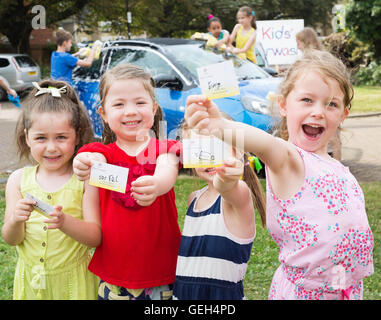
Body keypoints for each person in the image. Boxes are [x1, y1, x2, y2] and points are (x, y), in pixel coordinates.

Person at [184, 50, 374, 300]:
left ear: (342, 115)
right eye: (307, 100)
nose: (318, 111)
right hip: (306, 294)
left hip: (345, 289)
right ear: (283, 105)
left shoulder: (339, 169)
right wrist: (222, 126)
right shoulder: (289, 159)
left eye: (331, 104)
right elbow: (264, 143)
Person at [72, 64, 182, 300]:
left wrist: (157, 184)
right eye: (119, 104)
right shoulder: (103, 153)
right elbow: (90, 157)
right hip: (113, 274)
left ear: (154, 108)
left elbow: (168, 171)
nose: (130, 111)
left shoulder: (163, 149)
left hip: (162, 273)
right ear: (103, 113)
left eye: (140, 103)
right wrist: (83, 162)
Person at [1, 79, 100, 300]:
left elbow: (96, 236)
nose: (51, 147)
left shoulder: (84, 180)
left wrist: (65, 222)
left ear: (77, 135)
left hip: (75, 286)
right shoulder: (18, 180)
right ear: (27, 137)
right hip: (32, 286)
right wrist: (16, 220)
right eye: (40, 138)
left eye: (61, 137)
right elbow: (11, 238)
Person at [173, 119, 266, 300]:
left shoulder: (237, 195)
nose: (207, 156)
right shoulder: (194, 198)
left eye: (216, 147)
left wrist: (228, 176)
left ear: (237, 151)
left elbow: (227, 186)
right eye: (197, 150)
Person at [296, 27, 342, 162]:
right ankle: (335, 163)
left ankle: (335, 163)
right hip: (329, 101)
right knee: (332, 135)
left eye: (299, 42)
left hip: (324, 100)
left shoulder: (312, 59)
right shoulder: (323, 56)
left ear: (305, 41)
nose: (297, 46)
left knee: (331, 136)